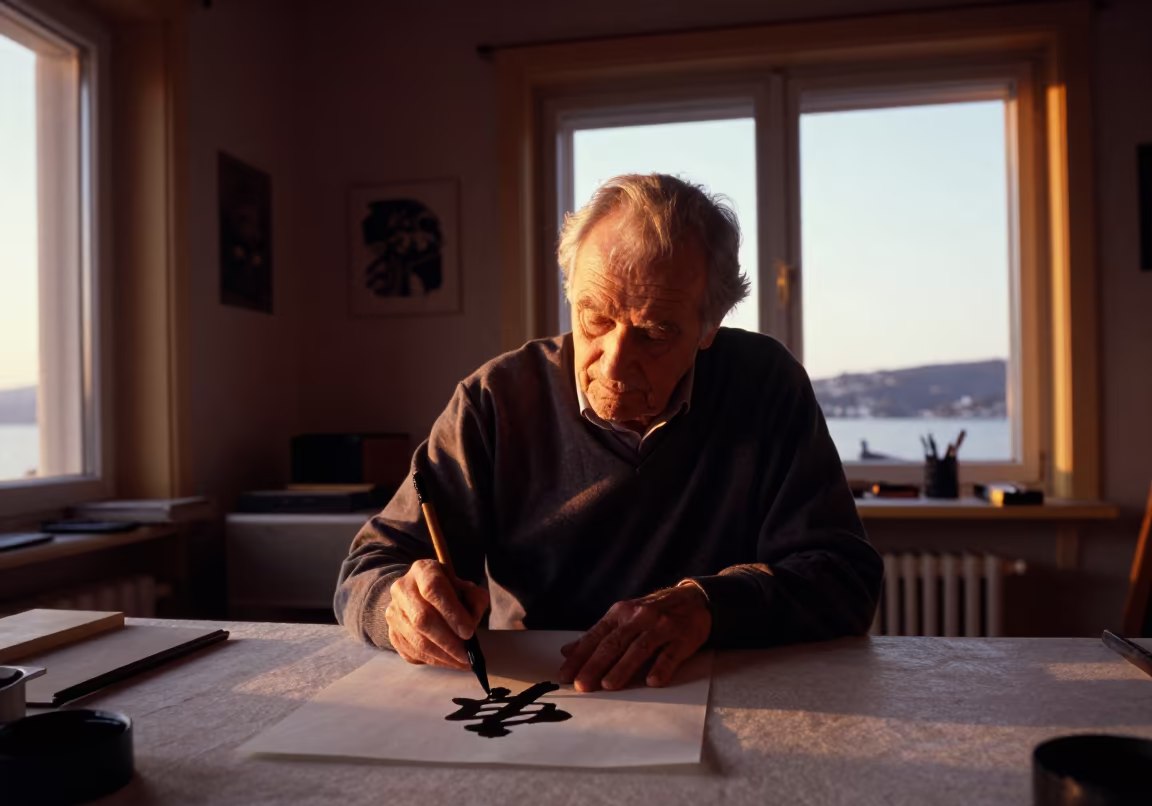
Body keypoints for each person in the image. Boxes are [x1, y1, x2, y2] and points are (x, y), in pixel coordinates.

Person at [335, 173, 882, 693]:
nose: (614, 365)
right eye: (594, 318)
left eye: (655, 332)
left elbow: (845, 579)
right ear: (570, 292)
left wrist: (706, 605)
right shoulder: (496, 400)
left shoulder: (764, 385)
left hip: (715, 700)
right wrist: (396, 606)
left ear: (709, 327)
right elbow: (366, 569)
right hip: (532, 701)